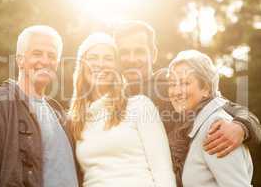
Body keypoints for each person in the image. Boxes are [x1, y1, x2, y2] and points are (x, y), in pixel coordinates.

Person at [112, 20, 261, 186]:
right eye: (124, 52)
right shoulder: (110, 101)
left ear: (153, 54)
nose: (132, 59)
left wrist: (241, 126)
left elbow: (227, 107)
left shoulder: (170, 84)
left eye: (139, 51)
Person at [0, 25, 79, 187]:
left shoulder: (61, 115)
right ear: (20, 60)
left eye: (52, 56)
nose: (45, 61)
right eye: (37, 53)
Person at [69, 32, 176, 187]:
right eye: (93, 58)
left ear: (116, 67)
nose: (100, 64)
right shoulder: (76, 120)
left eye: (108, 58)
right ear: (81, 66)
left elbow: (162, 170)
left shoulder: (139, 106)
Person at [167, 50, 253, 186]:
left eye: (185, 83)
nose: (176, 91)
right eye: (172, 84)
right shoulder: (191, 125)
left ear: (206, 88)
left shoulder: (216, 127)